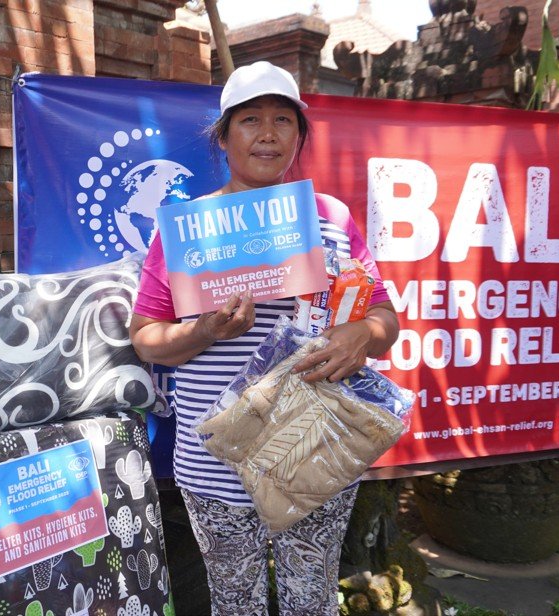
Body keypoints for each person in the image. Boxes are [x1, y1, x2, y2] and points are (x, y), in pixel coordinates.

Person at [129, 61, 399, 616]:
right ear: (224, 137)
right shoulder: (186, 230)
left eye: (284, 119)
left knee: (311, 598)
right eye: (250, 120)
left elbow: (385, 318)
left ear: (300, 136)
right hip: (216, 460)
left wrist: (362, 333)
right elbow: (145, 339)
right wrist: (206, 330)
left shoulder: (330, 218)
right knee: (235, 602)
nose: (269, 133)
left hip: (316, 445)